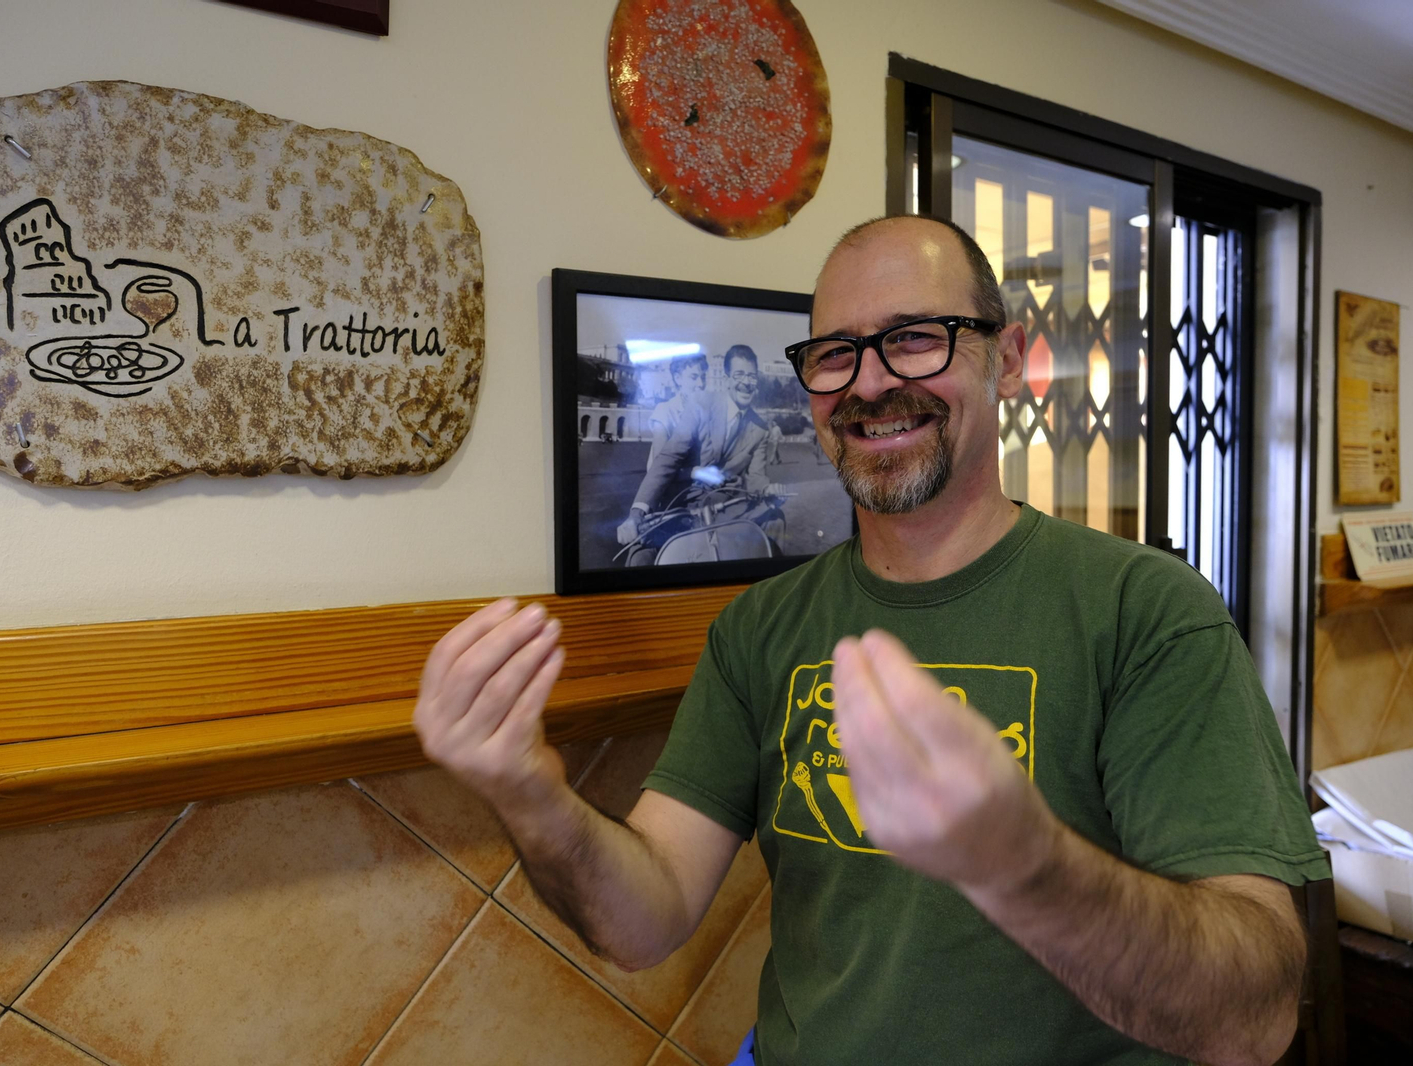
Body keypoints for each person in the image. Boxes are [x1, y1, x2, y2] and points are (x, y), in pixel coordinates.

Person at [412, 216, 1325, 1066]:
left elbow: (1254, 1018)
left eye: (916, 337)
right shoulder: (761, 630)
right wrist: (530, 794)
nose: (872, 382)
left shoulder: (1146, 612)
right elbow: (643, 919)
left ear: (1006, 359)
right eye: (835, 353)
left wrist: (1024, 864)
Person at [614, 344, 781, 562]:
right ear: (728, 378)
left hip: (726, 512)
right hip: (682, 507)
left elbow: (757, 477)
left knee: (775, 525)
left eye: (751, 376)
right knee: (641, 558)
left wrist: (769, 488)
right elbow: (668, 458)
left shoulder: (761, 428)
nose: (746, 383)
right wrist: (636, 514)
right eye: (739, 374)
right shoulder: (701, 404)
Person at [646, 353, 708, 467]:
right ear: (678, 378)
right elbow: (659, 468)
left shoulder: (707, 414)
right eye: (694, 377)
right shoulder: (665, 412)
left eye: (703, 377)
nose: (701, 384)